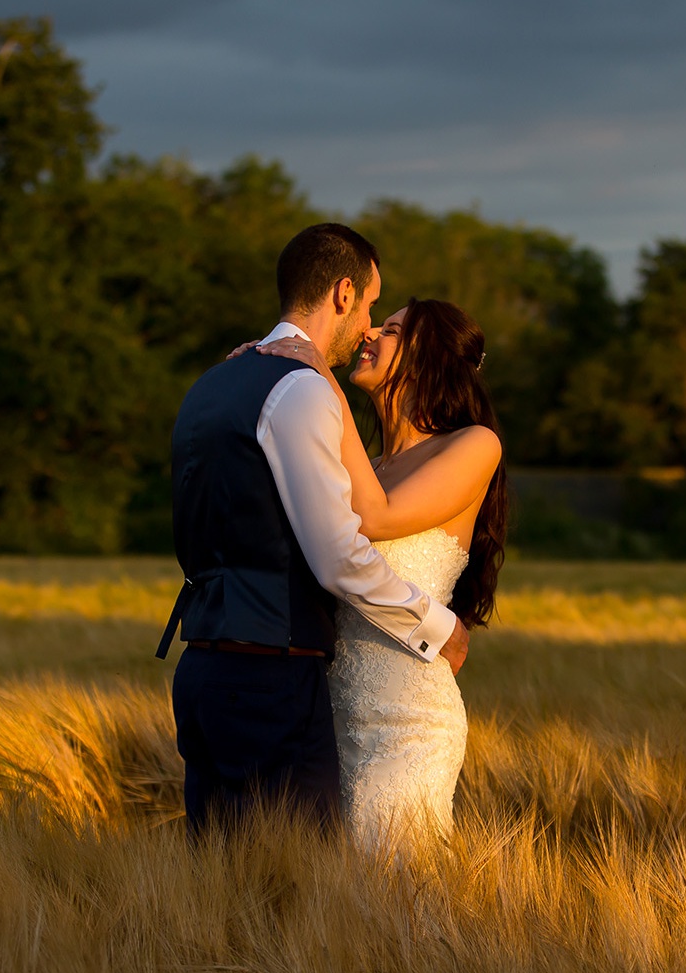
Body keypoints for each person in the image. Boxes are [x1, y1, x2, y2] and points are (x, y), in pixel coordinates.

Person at [157, 224, 471, 835]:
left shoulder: (212, 384)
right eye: (373, 305)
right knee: (294, 897)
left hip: (201, 670)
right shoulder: (298, 388)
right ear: (344, 293)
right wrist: (439, 626)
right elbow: (339, 558)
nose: (370, 325)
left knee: (221, 895)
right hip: (271, 678)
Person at [244, 298, 507, 851]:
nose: (368, 334)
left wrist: (317, 375)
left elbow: (376, 517)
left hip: (406, 723)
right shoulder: (368, 463)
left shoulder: (473, 444)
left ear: (428, 355)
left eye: (389, 330)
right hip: (332, 716)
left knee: (393, 902)